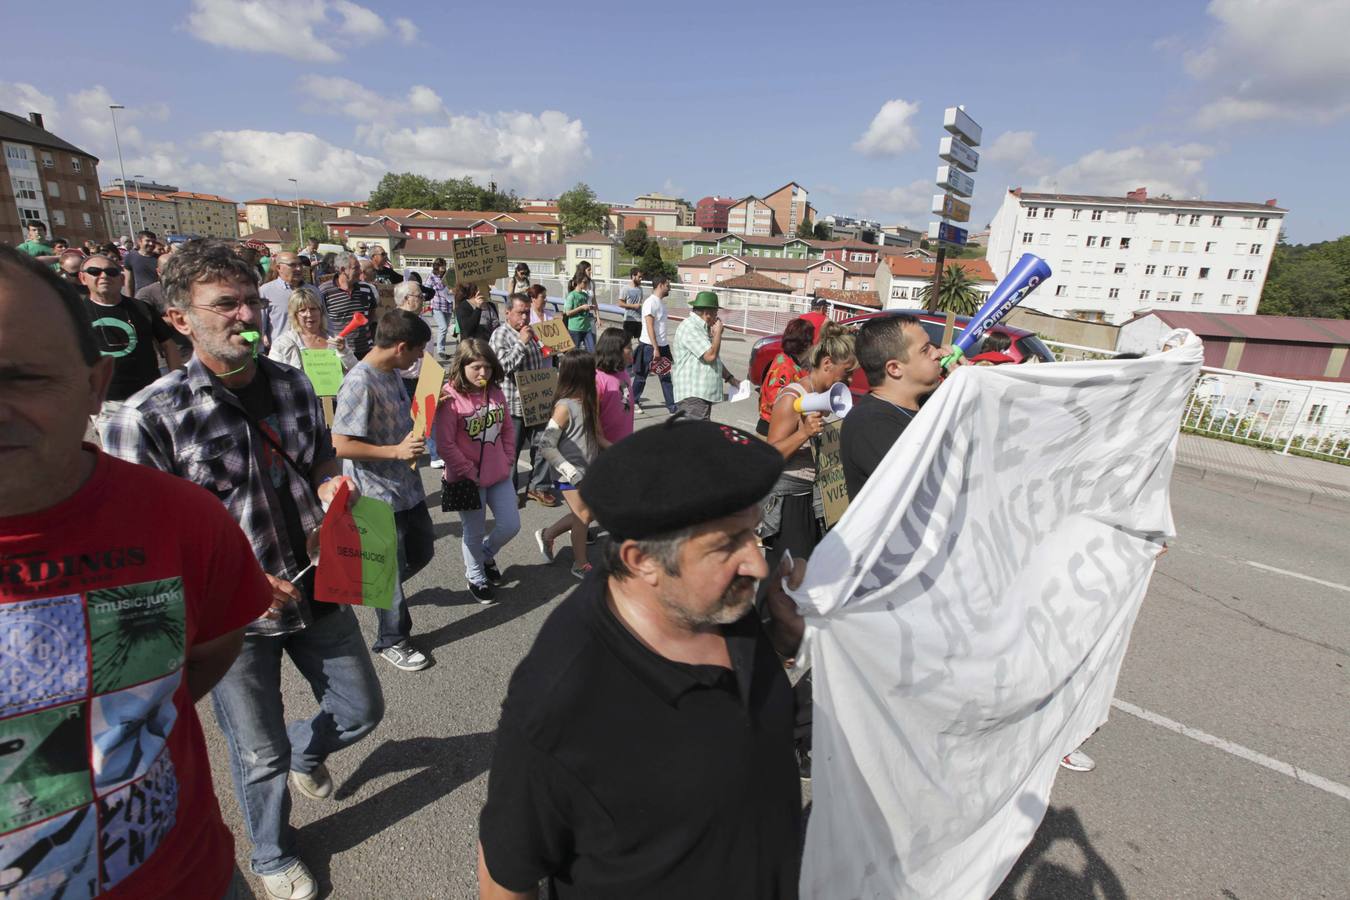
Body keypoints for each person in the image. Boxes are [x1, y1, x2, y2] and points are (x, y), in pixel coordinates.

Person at [100, 238, 383, 900]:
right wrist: (232, 586)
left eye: (252, 301)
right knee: (258, 757)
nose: (245, 315)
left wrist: (330, 488)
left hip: (316, 587)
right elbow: (143, 549)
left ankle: (306, 752)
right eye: (225, 303)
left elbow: (320, 462)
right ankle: (270, 852)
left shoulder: (291, 384)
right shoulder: (148, 417)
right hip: (230, 622)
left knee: (361, 708)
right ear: (179, 318)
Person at [0, 246, 272, 900]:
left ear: (94, 384)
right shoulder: (153, 413)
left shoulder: (183, 521)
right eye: (225, 304)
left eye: (20, 377)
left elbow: (203, 656)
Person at [477, 417, 807, 900]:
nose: (757, 564)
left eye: (752, 534)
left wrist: (781, 638)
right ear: (640, 560)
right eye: (727, 545)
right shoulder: (563, 704)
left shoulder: (711, 598)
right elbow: (505, 879)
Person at [332, 309, 436, 673]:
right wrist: (394, 451)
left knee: (423, 551)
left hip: (406, 486)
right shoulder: (360, 382)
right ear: (401, 347)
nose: (420, 358)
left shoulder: (391, 372)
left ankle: (377, 589)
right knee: (389, 572)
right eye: (418, 351)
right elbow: (341, 444)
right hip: (374, 494)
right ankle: (392, 640)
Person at [762, 320, 856, 564]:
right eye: (847, 373)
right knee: (786, 579)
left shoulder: (825, 397)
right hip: (791, 501)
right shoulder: (792, 398)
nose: (851, 381)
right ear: (827, 364)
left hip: (814, 497)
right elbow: (770, 456)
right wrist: (803, 433)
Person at [434, 339, 520, 603]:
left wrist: (508, 458)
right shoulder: (449, 397)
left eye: (488, 368)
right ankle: (475, 575)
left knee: (510, 526)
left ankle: (484, 555)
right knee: (473, 530)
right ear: (462, 367)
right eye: (476, 368)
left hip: (498, 472)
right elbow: (444, 445)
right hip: (466, 479)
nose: (483, 373)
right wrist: (469, 472)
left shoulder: (495, 391)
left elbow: (506, 428)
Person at [839, 315, 946, 500]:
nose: (938, 353)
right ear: (894, 368)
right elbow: (933, 488)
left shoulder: (926, 402)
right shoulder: (870, 424)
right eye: (925, 350)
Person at [81, 253, 184, 430]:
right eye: (94, 271)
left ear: (121, 279)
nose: (104, 276)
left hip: (149, 395)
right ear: (83, 278)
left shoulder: (141, 308)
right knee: (119, 455)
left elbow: (168, 344)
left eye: (111, 272)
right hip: (107, 401)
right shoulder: (74, 313)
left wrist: (176, 381)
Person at [536, 350, 609, 579]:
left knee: (591, 513)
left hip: (590, 470)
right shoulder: (564, 407)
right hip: (568, 474)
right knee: (583, 516)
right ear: (581, 374)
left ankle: (547, 534)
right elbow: (546, 445)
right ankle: (580, 563)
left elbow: (598, 435)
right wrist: (569, 471)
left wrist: (621, 450)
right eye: (592, 369)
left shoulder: (589, 401)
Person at [490, 293, 559, 507]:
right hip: (514, 404)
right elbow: (500, 369)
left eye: (527, 312)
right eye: (520, 312)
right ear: (507, 312)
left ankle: (538, 487)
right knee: (511, 451)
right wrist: (521, 343)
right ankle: (508, 491)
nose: (525, 317)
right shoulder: (501, 335)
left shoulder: (532, 332)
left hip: (537, 401)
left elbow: (544, 360)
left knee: (544, 445)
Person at [672, 290, 741, 420]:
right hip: (693, 395)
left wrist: (730, 378)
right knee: (697, 437)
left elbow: (713, 359)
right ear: (707, 313)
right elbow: (710, 356)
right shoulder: (690, 327)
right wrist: (718, 334)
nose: (717, 317)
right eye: (716, 313)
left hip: (699, 395)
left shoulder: (701, 328)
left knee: (697, 436)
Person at [267, 285, 357, 372]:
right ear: (295, 314)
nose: (309, 314)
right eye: (302, 310)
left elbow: (355, 371)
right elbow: (274, 374)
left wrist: (344, 351)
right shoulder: (283, 343)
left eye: (313, 309)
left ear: (320, 311)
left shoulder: (336, 339)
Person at [757, 317, 813, 436]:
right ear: (806, 344)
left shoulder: (787, 359)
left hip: (779, 429)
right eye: (811, 341)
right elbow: (776, 402)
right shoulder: (785, 367)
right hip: (772, 432)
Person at [631, 274, 676, 413]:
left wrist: (661, 347)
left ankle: (672, 406)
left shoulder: (661, 303)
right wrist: (655, 348)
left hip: (661, 346)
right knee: (641, 377)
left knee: (666, 377)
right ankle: (633, 401)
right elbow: (649, 327)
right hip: (649, 347)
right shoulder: (650, 302)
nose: (670, 288)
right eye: (668, 285)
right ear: (661, 285)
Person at [320, 251, 377, 359]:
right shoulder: (324, 291)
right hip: (338, 352)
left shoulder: (366, 289)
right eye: (356, 268)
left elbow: (372, 314)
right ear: (342, 270)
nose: (360, 271)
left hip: (364, 351)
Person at [261, 251, 316, 344]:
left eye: (300, 265)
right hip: (281, 354)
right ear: (279, 268)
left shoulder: (314, 291)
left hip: (311, 353)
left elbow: (325, 323)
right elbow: (259, 328)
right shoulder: (265, 292)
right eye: (293, 265)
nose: (298, 269)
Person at [594, 326, 634, 443]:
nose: (632, 350)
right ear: (615, 350)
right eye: (628, 348)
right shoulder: (597, 379)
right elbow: (593, 421)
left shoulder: (623, 373)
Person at [562, 271, 597, 351]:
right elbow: (568, 313)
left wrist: (589, 307)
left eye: (587, 282)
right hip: (575, 328)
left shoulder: (585, 295)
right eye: (584, 282)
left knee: (592, 350)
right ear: (578, 282)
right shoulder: (571, 295)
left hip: (586, 327)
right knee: (575, 353)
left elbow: (584, 308)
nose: (586, 284)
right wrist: (581, 308)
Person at [427, 257, 453, 359]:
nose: (444, 267)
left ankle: (442, 349)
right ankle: (440, 351)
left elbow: (454, 286)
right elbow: (426, 288)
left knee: (445, 329)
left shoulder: (449, 275)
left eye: (444, 265)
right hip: (437, 306)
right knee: (443, 327)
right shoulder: (432, 277)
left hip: (448, 304)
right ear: (437, 267)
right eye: (442, 265)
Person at [618, 267, 644, 343]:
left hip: (639, 320)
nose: (641, 279)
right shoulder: (625, 288)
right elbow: (620, 303)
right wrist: (633, 306)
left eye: (641, 277)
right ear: (633, 276)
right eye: (639, 277)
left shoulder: (640, 289)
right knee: (626, 342)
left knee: (641, 342)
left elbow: (640, 302)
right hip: (629, 320)